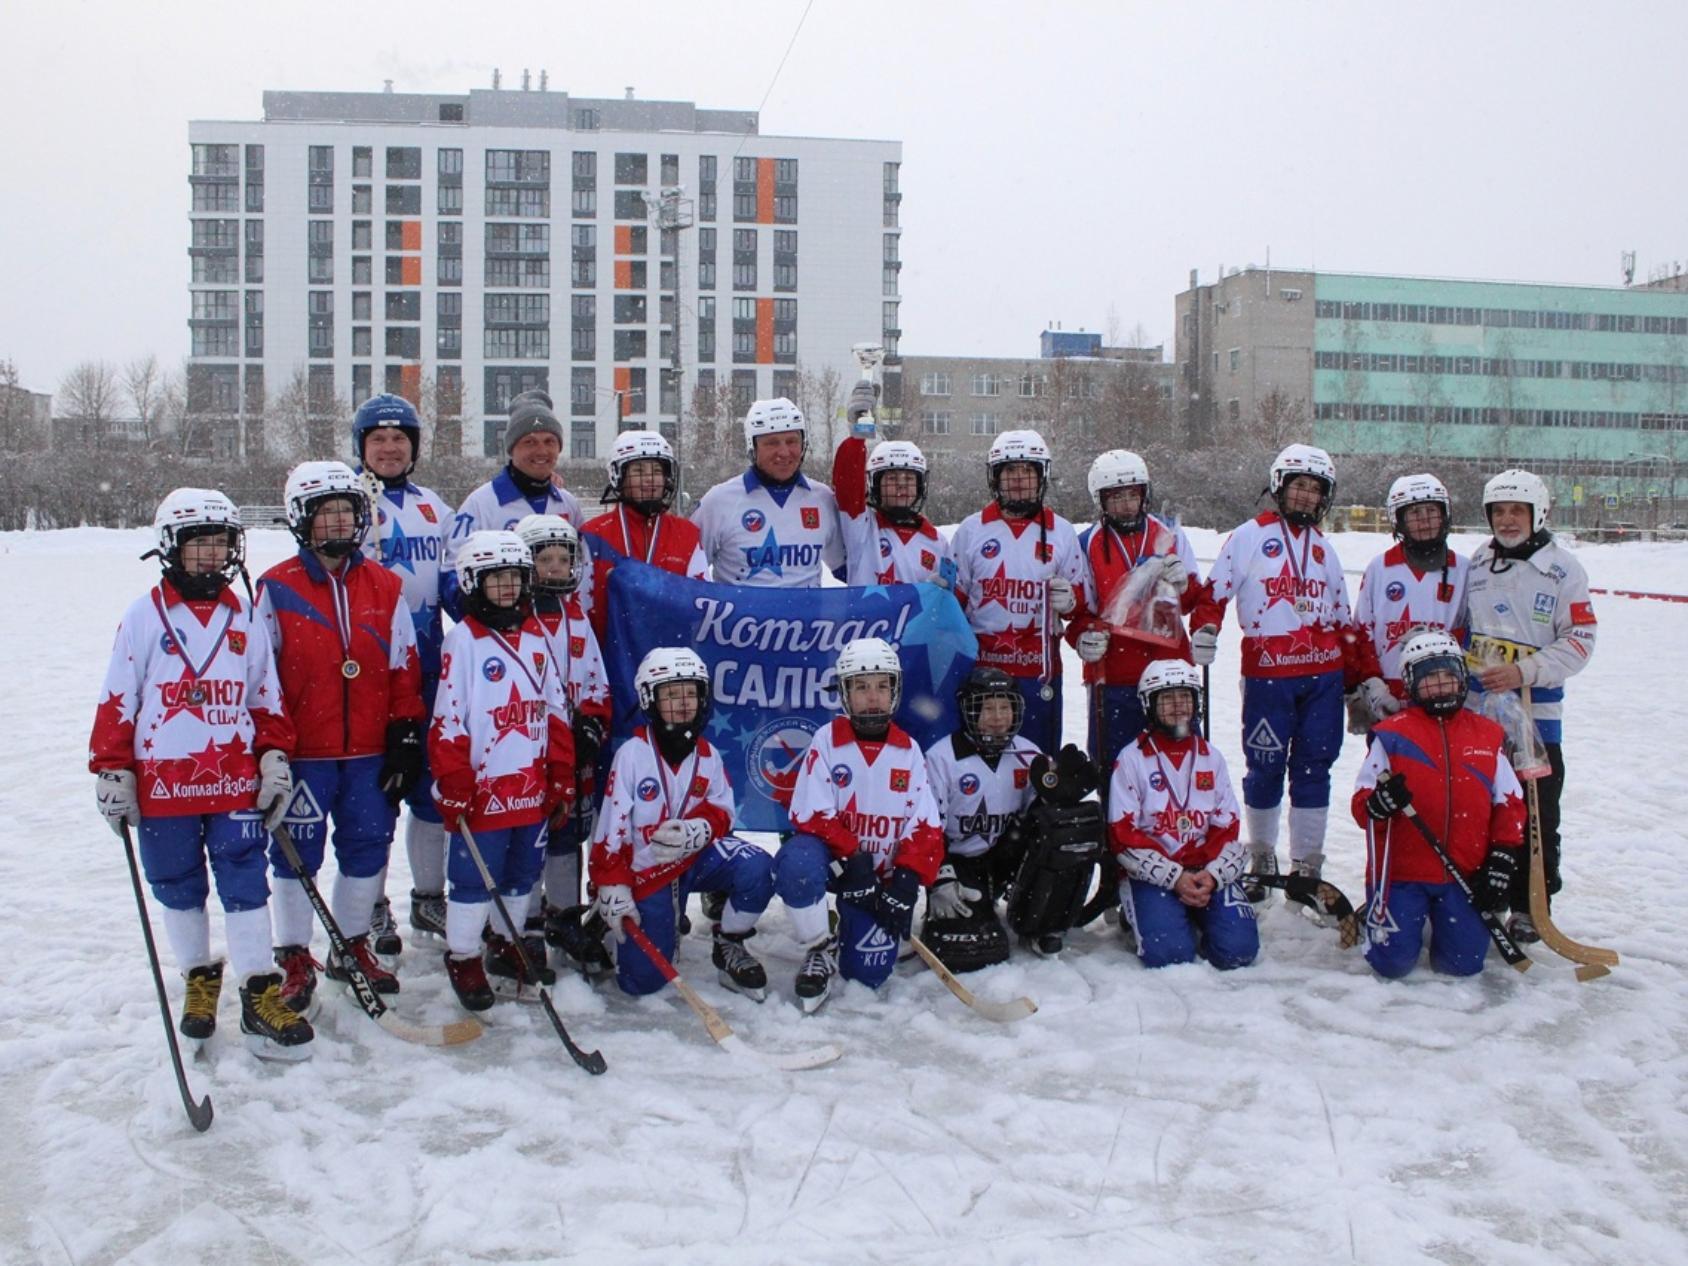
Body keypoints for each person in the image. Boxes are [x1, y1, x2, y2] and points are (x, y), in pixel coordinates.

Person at [89, 489, 311, 1059]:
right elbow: (119, 698)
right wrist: (113, 768)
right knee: (177, 884)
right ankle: (198, 978)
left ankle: (259, 986)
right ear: (171, 550)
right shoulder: (143, 617)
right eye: (199, 546)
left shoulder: (244, 616)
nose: (212, 557)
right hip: (165, 785)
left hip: (232, 779)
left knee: (243, 880)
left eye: (220, 544)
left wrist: (273, 755)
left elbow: (265, 693)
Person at [257, 461, 425, 1013]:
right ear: (302, 520)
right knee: (295, 857)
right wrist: (272, 747)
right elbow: (260, 678)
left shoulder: (385, 584)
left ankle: (350, 943)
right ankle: (293, 955)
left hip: (369, 751)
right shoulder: (276, 588)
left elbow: (404, 664)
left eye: (346, 512)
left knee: (367, 846)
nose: (336, 523)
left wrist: (404, 731)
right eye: (324, 513)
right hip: (308, 752)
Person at [1189, 443, 1361, 897]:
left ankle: (1307, 862)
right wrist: (1206, 628)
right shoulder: (1247, 536)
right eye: (1298, 486)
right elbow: (1214, 593)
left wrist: (1358, 680)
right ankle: (1261, 851)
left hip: (1323, 676)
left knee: (1314, 767)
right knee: (1264, 765)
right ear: (1279, 487)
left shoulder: (1325, 549)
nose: (1305, 496)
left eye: (1315, 489)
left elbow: (1344, 619)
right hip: (1269, 673)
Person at [429, 530, 577, 1011]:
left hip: (529, 787)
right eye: (497, 581)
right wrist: (454, 781)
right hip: (482, 789)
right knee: (473, 877)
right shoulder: (463, 642)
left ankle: (505, 940)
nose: (508, 589)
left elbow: (554, 709)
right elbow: (449, 719)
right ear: (475, 584)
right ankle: (464, 954)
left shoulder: (536, 637)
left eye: (515, 578)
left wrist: (560, 774)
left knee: (521, 873)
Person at [587, 648, 775, 999]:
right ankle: (607, 918)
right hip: (649, 868)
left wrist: (700, 829)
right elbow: (610, 831)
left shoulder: (708, 755)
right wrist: (611, 884)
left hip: (695, 858)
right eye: (671, 694)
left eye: (690, 692)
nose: (683, 703)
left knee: (759, 868)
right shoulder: (631, 756)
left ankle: (729, 939)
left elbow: (723, 811)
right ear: (650, 699)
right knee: (643, 984)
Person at [772, 638, 945, 1011]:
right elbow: (810, 813)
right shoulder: (828, 741)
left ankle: (850, 933)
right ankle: (820, 945)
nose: (873, 697)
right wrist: (853, 857)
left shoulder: (908, 750)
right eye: (862, 687)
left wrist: (906, 879)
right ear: (845, 692)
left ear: (895, 691)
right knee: (797, 863)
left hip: (877, 878)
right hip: (839, 866)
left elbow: (925, 825)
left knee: (867, 975)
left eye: (882, 686)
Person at [1465, 470, 1597, 943]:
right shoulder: (1478, 562)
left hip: (1536, 718)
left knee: (1538, 813)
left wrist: (1525, 671)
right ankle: (1490, 893)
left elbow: (1580, 642)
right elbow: (1465, 629)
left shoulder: (1564, 570)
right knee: (1483, 806)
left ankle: (1530, 901)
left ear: (1537, 513)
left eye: (1516, 511)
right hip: (1479, 716)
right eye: (1498, 511)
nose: (1507, 520)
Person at [1351, 631, 1525, 977]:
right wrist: (1379, 805)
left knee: (1461, 967)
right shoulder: (1391, 734)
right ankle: (1387, 918)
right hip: (1402, 875)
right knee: (1392, 965)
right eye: (1430, 677)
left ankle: (1436, 924)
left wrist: (1502, 858)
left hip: (1463, 874)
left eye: (1448, 675)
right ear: (1412, 683)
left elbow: (1510, 801)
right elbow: (1361, 804)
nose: (1441, 685)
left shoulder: (1487, 734)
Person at [350, 393, 454, 956]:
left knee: (431, 789)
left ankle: (429, 895)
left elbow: (455, 578)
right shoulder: (346, 500)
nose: (389, 449)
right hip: (368, 668)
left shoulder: (433, 506)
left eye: (400, 440)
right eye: (378, 440)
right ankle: (370, 903)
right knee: (373, 796)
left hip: (429, 661)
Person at [1106, 660, 1258, 970]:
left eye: (1185, 697)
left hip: (1204, 871)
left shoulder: (1210, 757)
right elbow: (1123, 835)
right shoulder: (1132, 759)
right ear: (1150, 704)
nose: (1178, 707)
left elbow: (1226, 825)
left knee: (1239, 952)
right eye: (1167, 698)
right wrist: (1175, 878)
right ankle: (1156, 915)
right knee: (1169, 956)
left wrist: (1213, 876)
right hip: (1155, 874)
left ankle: (1196, 913)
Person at [1065, 449, 1202, 786]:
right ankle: (1116, 833)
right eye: (1116, 497)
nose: (1126, 505)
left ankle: (1181, 829)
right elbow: (1078, 612)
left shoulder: (1169, 535)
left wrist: (1183, 585)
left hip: (1169, 670)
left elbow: (1193, 600)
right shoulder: (1086, 544)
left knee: (1180, 759)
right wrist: (1082, 638)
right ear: (1101, 501)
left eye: (1133, 495)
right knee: (1113, 766)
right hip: (1114, 673)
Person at [950, 430, 1091, 752]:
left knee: (1038, 764)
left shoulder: (1062, 532)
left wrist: (1071, 600)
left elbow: (1080, 606)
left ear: (1041, 476)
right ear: (995, 478)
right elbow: (953, 603)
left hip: (1038, 673)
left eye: (1026, 471)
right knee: (981, 762)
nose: (1017, 480)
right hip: (983, 671)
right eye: (1009, 471)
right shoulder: (972, 529)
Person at [513, 514, 612, 948]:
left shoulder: (577, 618)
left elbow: (595, 681)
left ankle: (563, 911)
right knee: (526, 836)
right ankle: (526, 917)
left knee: (567, 833)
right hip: (528, 751)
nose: (554, 568)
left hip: (569, 751)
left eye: (561, 558)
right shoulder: (512, 620)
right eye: (544, 559)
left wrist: (592, 721)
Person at [920, 667, 1042, 970]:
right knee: (974, 950)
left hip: (1006, 856)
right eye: (987, 707)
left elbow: (1038, 818)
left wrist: (1062, 797)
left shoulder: (1029, 754)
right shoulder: (941, 757)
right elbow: (927, 827)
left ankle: (1037, 919)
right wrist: (940, 877)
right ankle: (973, 905)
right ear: (968, 711)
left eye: (1005, 707)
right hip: (960, 860)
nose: (998, 717)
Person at [1347, 473, 1469, 732]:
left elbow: (1469, 633)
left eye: (1431, 511)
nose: (1424, 520)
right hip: (1389, 692)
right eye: (1414, 513)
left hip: (1443, 692)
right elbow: (1362, 633)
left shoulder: (1463, 570)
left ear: (1444, 515)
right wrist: (1373, 683)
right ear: (1398, 520)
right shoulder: (1380, 568)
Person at [444, 397, 585, 616]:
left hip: (557, 631)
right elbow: (452, 575)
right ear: (511, 449)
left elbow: (580, 568)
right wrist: (487, 620)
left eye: (550, 442)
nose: (541, 451)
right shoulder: (481, 503)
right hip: (502, 638)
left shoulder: (568, 503)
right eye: (530, 442)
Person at [693, 396, 844, 587]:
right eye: (772, 443)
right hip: (739, 617)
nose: (784, 452)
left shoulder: (823, 498)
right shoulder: (717, 501)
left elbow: (850, 570)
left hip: (807, 616)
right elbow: (688, 578)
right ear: (753, 447)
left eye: (792, 441)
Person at [579, 429, 708, 645]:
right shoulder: (593, 535)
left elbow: (702, 603)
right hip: (610, 661)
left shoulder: (687, 533)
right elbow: (579, 608)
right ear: (618, 475)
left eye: (657, 471)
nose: (650, 480)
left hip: (670, 664)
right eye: (638, 470)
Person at [830, 433, 955, 586]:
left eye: (909, 479)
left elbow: (951, 598)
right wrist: (857, 438)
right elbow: (847, 484)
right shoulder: (862, 527)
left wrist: (940, 593)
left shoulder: (937, 542)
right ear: (875, 484)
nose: (901, 485)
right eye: (892, 478)